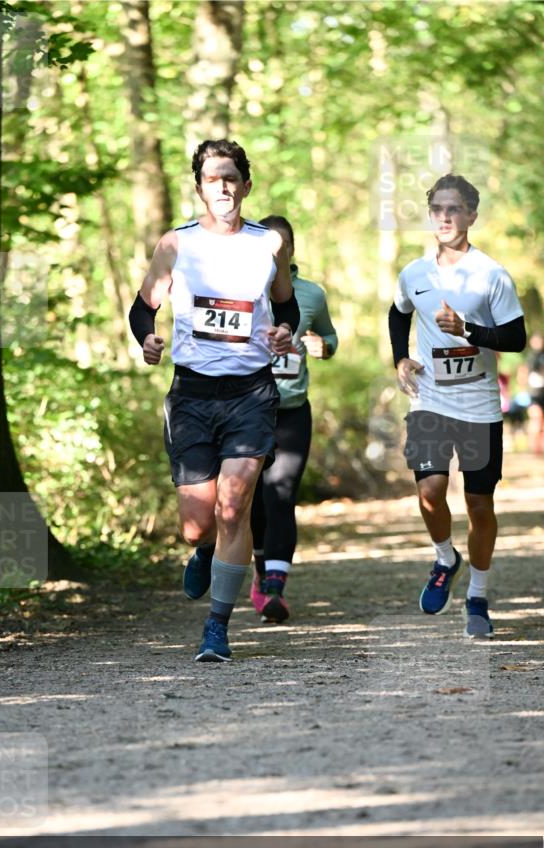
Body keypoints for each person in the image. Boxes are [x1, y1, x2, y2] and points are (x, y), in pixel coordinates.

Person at [128, 139, 299, 662]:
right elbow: (142, 307)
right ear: (199, 188)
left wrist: (285, 333)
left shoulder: (269, 244)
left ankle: (217, 628)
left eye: (230, 177)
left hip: (251, 391)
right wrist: (147, 339)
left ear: (246, 184)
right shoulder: (176, 245)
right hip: (193, 394)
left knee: (234, 505)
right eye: (211, 178)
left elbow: (286, 306)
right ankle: (203, 549)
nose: (221, 186)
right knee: (197, 524)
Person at [389, 174, 527, 638]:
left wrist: (468, 330)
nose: (445, 218)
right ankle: (446, 556)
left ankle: (479, 596)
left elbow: (516, 338)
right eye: (437, 210)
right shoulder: (414, 273)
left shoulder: (491, 274)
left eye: (454, 209)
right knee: (429, 491)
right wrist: (399, 357)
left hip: (479, 404)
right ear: (430, 216)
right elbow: (398, 311)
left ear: (471, 215)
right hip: (430, 399)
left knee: (479, 503)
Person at [248, 215, 338, 623]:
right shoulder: (239, 290)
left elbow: (330, 337)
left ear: (292, 251)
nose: (274, 255)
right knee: (249, 503)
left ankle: (274, 588)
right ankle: (259, 568)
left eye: (281, 248)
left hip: (291, 411)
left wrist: (324, 346)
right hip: (245, 410)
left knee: (280, 493)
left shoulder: (312, 296)